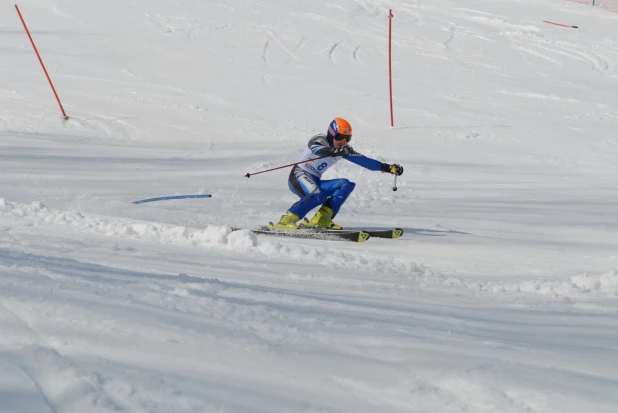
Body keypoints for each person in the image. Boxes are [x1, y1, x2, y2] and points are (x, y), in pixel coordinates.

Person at [270, 117, 404, 230]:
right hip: (299, 175)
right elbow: (317, 149)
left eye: (347, 138)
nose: (343, 142)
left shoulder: (342, 149)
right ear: (331, 133)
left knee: (345, 184)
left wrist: (387, 167)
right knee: (318, 195)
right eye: (340, 137)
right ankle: (286, 220)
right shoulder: (320, 139)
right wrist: (335, 151)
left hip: (315, 180)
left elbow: (364, 161)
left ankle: (321, 219)